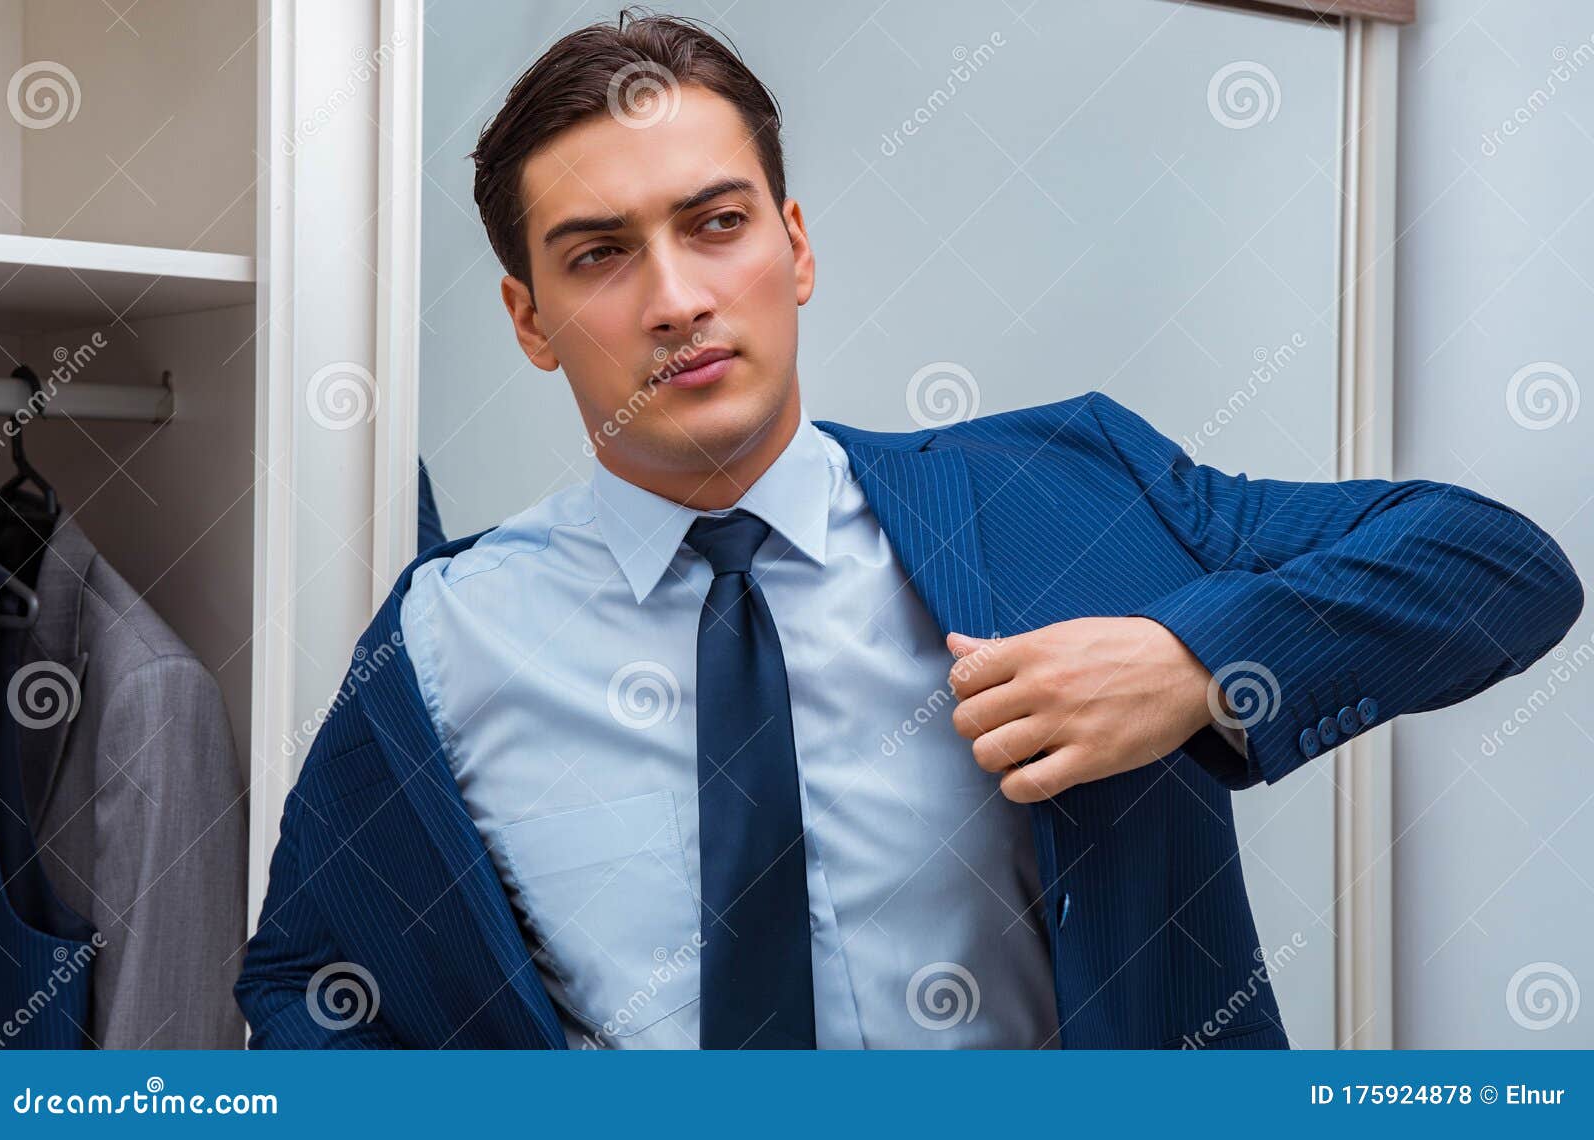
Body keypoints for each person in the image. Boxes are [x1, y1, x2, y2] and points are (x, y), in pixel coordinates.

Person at [235, 9, 1582, 1050]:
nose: (677, 298)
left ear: (796, 246)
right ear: (530, 317)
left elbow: (1496, 565)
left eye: (717, 225)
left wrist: (1192, 665)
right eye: (598, 254)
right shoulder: (446, 632)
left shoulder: (1065, 490)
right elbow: (307, 983)